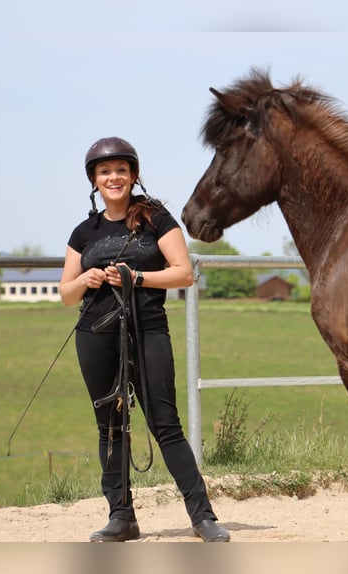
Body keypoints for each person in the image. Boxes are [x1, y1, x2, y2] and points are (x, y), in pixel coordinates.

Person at [59, 136, 230, 543]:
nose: (113, 177)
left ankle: (202, 516)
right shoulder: (84, 232)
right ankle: (122, 518)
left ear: (133, 175)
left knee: (165, 423)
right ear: (94, 181)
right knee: (110, 427)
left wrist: (136, 278)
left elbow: (184, 272)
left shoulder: (157, 218)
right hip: (95, 334)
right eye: (105, 172)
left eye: (121, 170)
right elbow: (66, 294)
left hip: (148, 328)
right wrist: (86, 278)